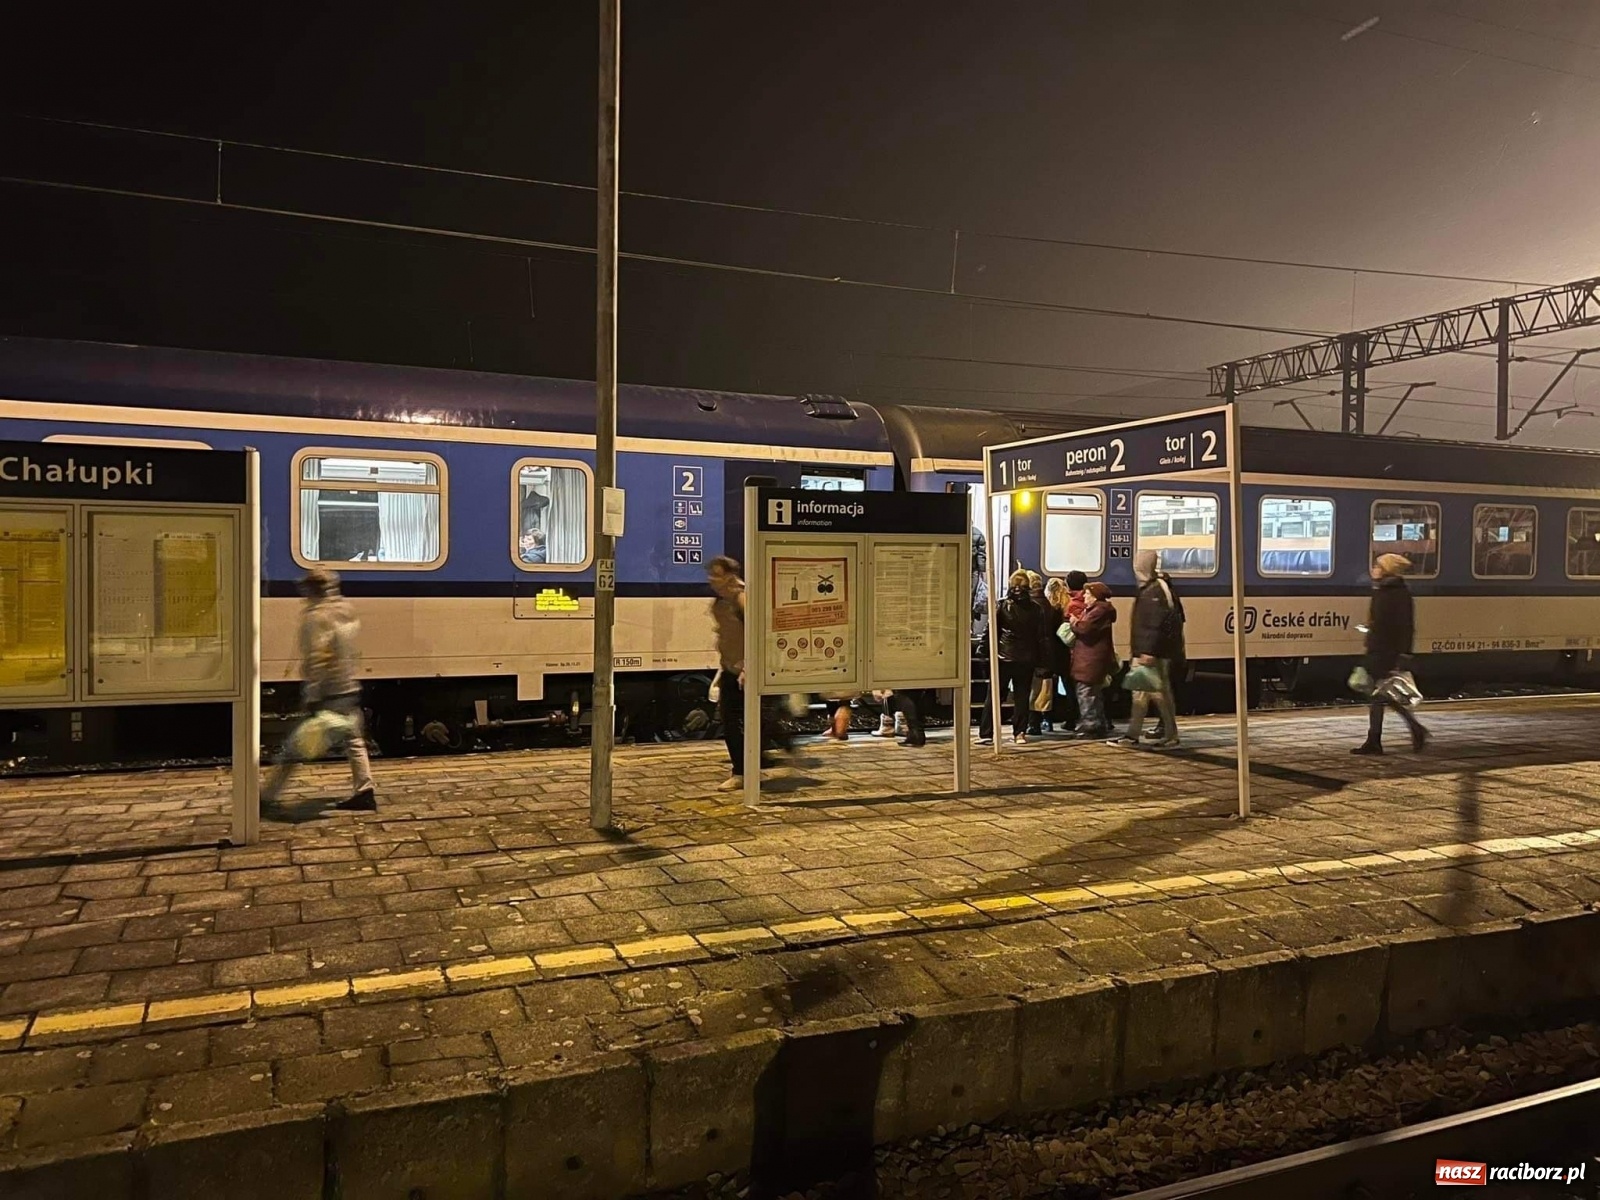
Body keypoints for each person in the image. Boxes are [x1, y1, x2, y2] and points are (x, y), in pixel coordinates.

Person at [263, 568, 377, 812]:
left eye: (306, 587)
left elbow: (319, 657)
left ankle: (267, 796)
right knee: (354, 740)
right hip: (347, 686)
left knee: (296, 746)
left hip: (328, 691)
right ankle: (365, 790)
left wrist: (313, 694)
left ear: (313, 589)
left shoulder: (316, 617)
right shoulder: (344, 610)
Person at [706, 555, 790, 789]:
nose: (712, 579)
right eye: (711, 574)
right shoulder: (721, 599)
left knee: (753, 719)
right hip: (731, 668)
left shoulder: (742, 598)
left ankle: (750, 767)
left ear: (730, 576)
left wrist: (749, 665)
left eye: (717, 574)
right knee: (731, 719)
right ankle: (744, 770)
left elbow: (758, 632)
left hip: (747, 669)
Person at [1353, 554, 1429, 755]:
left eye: (1378, 565)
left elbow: (1404, 627)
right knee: (1380, 696)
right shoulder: (1383, 590)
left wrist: (1403, 654)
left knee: (1379, 696)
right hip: (1378, 649)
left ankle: (1378, 739)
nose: (1374, 568)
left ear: (1387, 569)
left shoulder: (1396, 593)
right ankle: (1409, 730)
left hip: (1386, 652)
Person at [1116, 550, 1181, 748]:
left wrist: (1148, 651)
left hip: (1150, 654)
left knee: (1159, 695)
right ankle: (1134, 735)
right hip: (1148, 651)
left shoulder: (1154, 591)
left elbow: (1154, 624)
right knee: (1144, 695)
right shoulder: (1152, 589)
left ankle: (1169, 735)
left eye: (1138, 565)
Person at [979, 569, 1044, 744]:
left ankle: (987, 733)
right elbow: (1040, 636)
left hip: (1003, 657)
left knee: (994, 696)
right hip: (1027, 659)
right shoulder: (1036, 609)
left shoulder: (1001, 605)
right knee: (1022, 697)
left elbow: (990, 631)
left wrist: (982, 651)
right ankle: (1020, 733)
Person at [1070, 582, 1117, 738]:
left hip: (1090, 659)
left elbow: (1085, 629)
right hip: (1091, 659)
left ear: (1095, 596)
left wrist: (1074, 622)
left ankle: (1091, 726)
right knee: (1093, 693)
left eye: (1088, 594)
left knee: (1086, 693)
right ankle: (1098, 723)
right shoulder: (1098, 610)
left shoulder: (1098, 611)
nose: (1084, 596)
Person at [1027, 571, 1059, 735]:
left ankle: (1033, 723)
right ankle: (1043, 721)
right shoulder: (1049, 606)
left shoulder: (1030, 605)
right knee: (1044, 689)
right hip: (1047, 653)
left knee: (1032, 689)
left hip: (1031, 653)